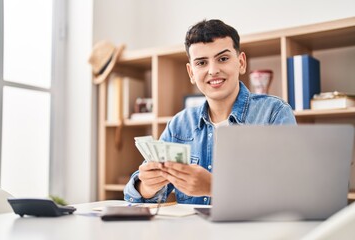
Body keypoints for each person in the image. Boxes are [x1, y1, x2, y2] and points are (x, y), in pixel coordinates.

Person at [124, 19, 296, 205]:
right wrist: (148, 187)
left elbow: (290, 191)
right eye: (201, 63)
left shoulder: (274, 113)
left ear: (241, 62)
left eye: (222, 59)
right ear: (191, 73)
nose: (213, 71)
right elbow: (135, 196)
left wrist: (214, 186)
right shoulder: (179, 125)